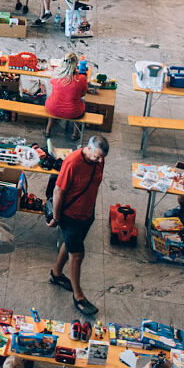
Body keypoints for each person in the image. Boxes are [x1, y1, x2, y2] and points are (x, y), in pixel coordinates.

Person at [47, 135, 108, 315]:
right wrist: (57, 218)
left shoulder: (99, 161)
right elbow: (59, 190)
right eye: (97, 156)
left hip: (87, 214)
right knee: (77, 255)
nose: (100, 161)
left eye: (102, 158)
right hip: (70, 216)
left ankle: (57, 273)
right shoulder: (72, 162)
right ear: (88, 148)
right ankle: (78, 296)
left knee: (71, 243)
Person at [44, 53, 88, 140]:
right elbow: (83, 94)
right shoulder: (81, 79)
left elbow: (52, 82)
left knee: (54, 99)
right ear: (76, 65)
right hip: (73, 112)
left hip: (53, 109)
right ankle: (75, 133)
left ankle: (48, 130)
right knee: (82, 103)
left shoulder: (57, 76)